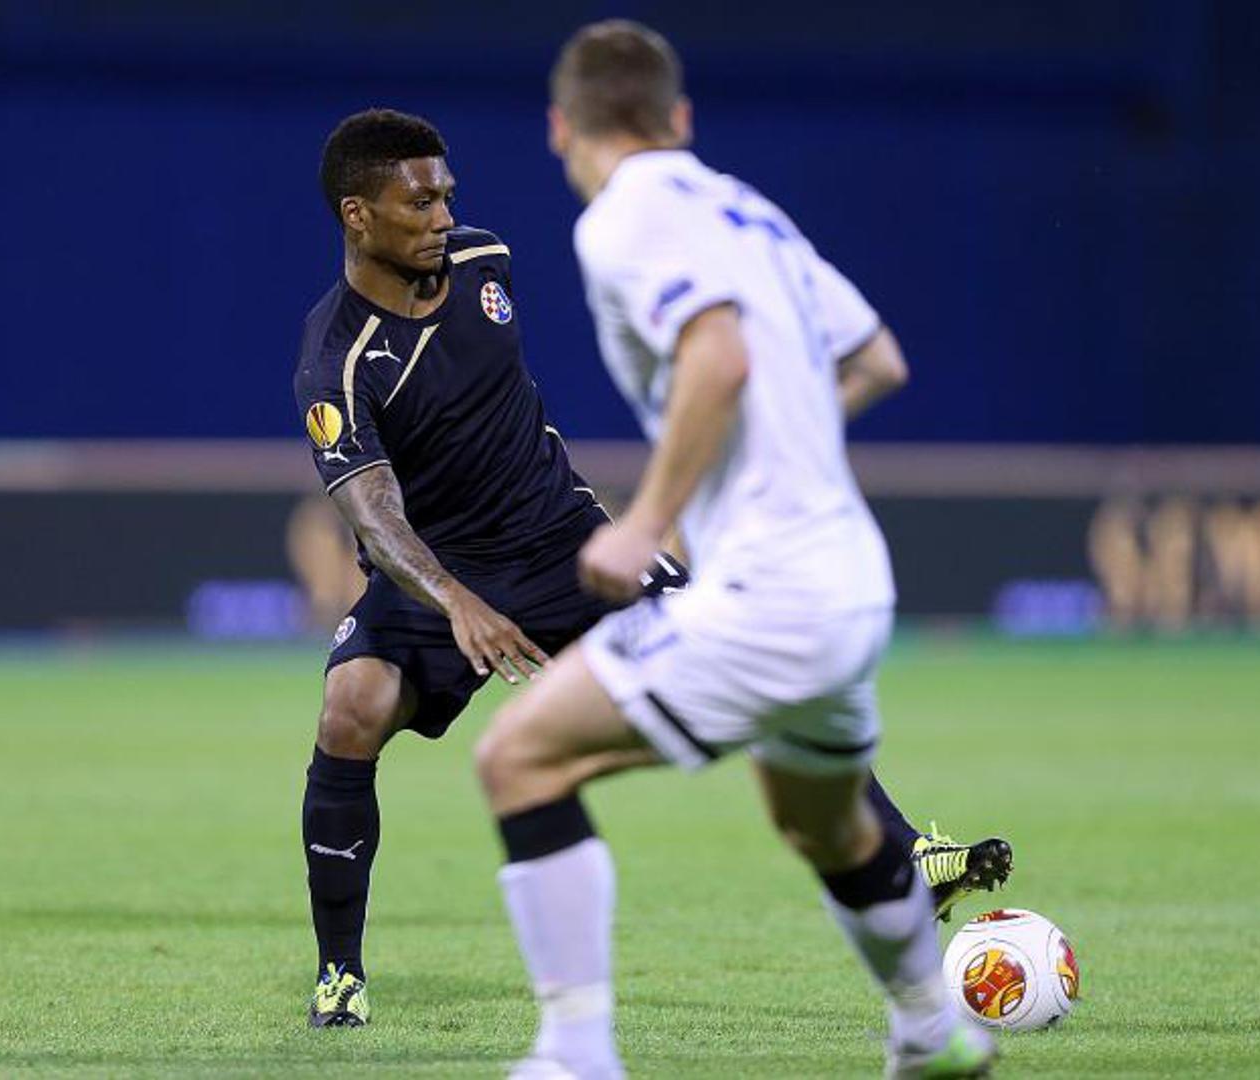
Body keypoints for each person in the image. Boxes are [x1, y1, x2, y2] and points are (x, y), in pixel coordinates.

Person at [291, 108, 980, 1030]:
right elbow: (374, 514)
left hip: (564, 543)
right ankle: (339, 974)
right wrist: (455, 600)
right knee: (351, 710)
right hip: (443, 577)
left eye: (447, 196)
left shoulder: (485, 264)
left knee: (738, 642)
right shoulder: (336, 362)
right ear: (357, 214)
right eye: (419, 203)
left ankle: (906, 853)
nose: (444, 217)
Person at [472, 22, 1006, 1079]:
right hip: (849, 581)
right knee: (824, 825)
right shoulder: (744, 212)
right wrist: (772, 454)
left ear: (560, 127)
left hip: (770, 591)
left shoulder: (624, 215)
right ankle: (930, 1033)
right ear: (678, 117)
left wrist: (646, 522)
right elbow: (877, 360)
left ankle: (575, 1056)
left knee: (517, 758)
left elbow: (713, 356)